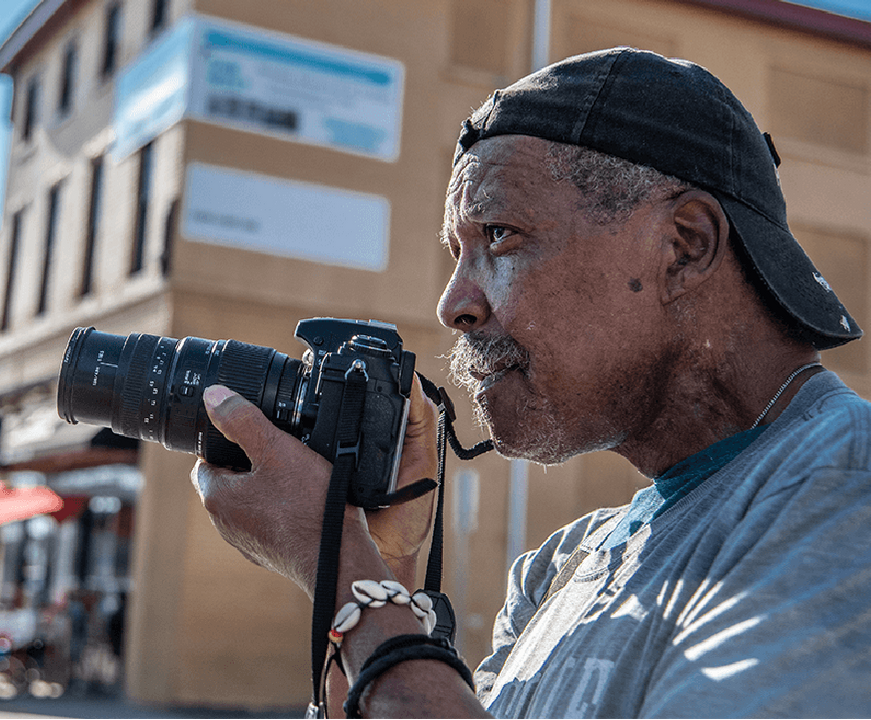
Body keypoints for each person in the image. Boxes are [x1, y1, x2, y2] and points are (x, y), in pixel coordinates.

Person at [190, 47, 871, 718]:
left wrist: (341, 575)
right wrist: (385, 566)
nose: (452, 304)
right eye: (456, 254)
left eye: (500, 235)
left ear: (684, 245)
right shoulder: (561, 566)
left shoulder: (847, 488)